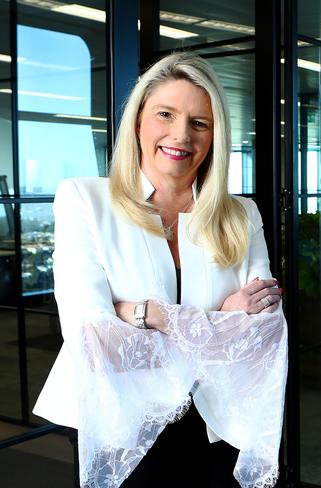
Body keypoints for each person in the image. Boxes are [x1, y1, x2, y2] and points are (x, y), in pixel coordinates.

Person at [33, 52, 287, 488]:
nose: (180, 135)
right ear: (137, 123)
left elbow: (261, 337)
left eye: (199, 123)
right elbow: (92, 337)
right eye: (164, 115)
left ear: (214, 137)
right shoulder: (84, 200)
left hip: (217, 423)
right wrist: (219, 320)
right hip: (122, 424)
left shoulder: (241, 214)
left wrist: (145, 314)